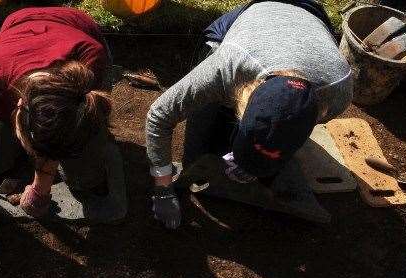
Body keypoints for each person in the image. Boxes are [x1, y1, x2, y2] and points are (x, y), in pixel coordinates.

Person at [145, 0, 353, 229]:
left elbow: (290, 124)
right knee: (198, 150)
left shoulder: (338, 91)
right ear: (243, 104)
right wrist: (163, 189)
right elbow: (158, 116)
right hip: (255, 17)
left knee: (241, 146)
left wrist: (265, 152)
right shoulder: (225, 67)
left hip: (309, 15)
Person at [0, 7, 114, 258]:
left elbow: (59, 129)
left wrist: (41, 188)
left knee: (88, 176)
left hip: (80, 30)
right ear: (17, 109)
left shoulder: (91, 61)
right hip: (20, 26)